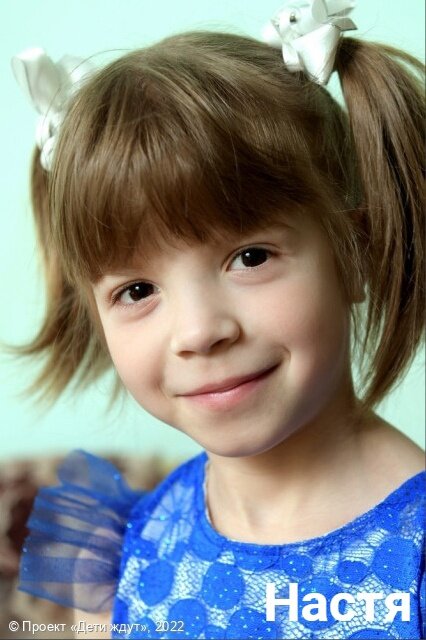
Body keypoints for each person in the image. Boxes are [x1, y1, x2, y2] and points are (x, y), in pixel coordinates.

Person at [11, 1, 425, 638]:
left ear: (357, 252)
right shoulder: (116, 554)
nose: (200, 332)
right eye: (137, 290)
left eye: (250, 257)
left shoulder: (414, 556)